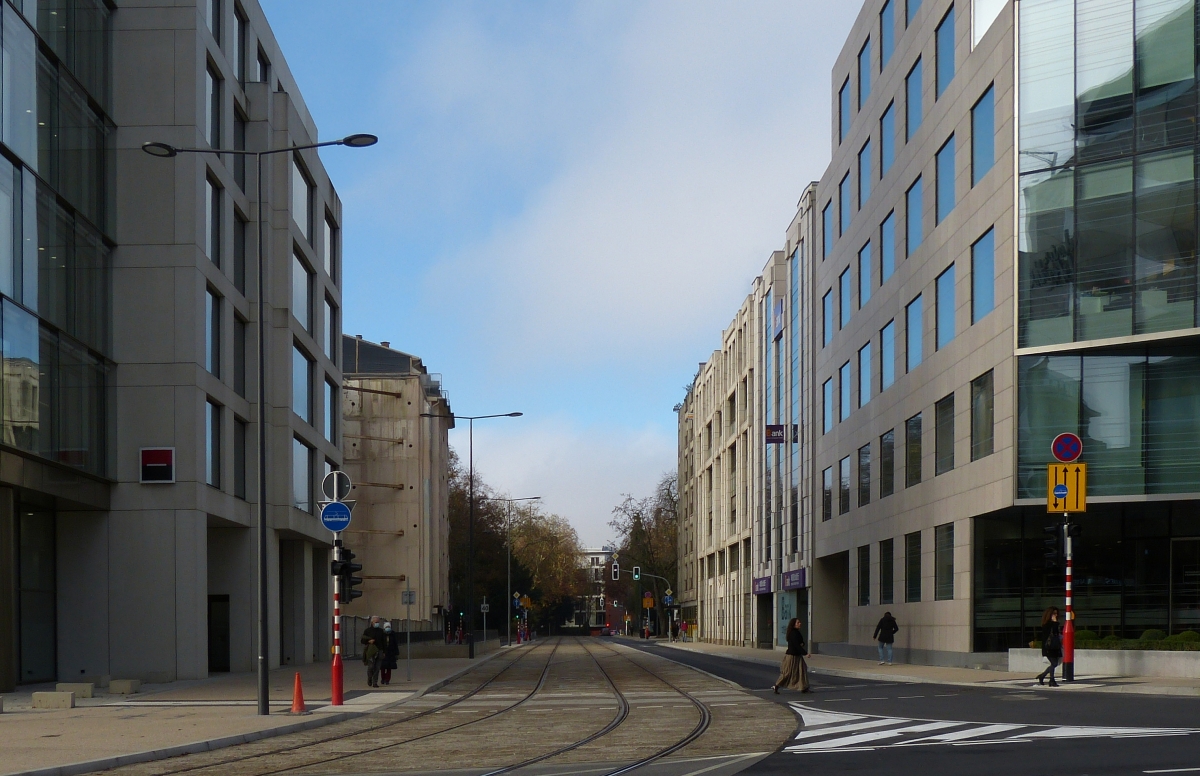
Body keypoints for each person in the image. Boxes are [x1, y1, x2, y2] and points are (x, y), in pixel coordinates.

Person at [773, 618, 811, 694]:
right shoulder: (793, 633)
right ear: (793, 624)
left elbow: (800, 642)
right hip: (791, 656)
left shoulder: (797, 632)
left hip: (797, 655)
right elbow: (796, 645)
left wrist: (802, 644)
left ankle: (804, 687)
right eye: (798, 622)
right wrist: (805, 653)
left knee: (802, 670)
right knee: (787, 672)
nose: (800, 623)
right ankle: (776, 685)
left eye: (799, 622)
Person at [1037, 607, 1062, 687]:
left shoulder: (1055, 623)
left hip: (1055, 647)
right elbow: (1052, 633)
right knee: (1054, 663)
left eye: (1056, 613)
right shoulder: (1047, 624)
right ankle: (1051, 680)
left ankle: (1042, 676)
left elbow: (1057, 634)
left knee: (1054, 664)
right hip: (1049, 647)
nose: (1056, 615)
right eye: (1054, 613)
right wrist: (1055, 623)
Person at [361, 616, 386, 688]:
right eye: (376, 622)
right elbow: (362, 640)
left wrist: (384, 652)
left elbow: (384, 642)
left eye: (378, 622)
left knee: (377, 668)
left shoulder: (381, 631)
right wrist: (369, 641)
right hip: (371, 651)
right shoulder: (367, 631)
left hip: (379, 650)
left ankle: (375, 682)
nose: (377, 623)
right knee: (371, 666)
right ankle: (369, 678)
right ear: (372, 622)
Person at [380, 621, 400, 685]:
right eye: (386, 627)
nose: (388, 628)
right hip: (384, 653)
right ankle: (383, 678)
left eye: (388, 627)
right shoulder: (382, 634)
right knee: (383, 667)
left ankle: (387, 679)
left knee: (389, 667)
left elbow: (395, 644)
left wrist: (396, 653)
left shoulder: (393, 634)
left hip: (391, 653)